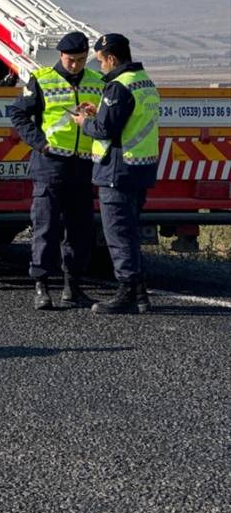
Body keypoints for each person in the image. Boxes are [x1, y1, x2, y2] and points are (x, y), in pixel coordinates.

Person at [8, 31, 104, 310]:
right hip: (50, 164)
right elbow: (19, 114)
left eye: (81, 60)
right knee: (46, 227)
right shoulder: (43, 79)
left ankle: (72, 287)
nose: (75, 65)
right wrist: (40, 144)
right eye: (71, 60)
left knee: (80, 230)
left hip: (83, 164)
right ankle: (41, 286)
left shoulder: (97, 82)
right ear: (61, 55)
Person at [72, 33, 160, 314]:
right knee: (131, 231)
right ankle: (141, 293)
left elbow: (105, 130)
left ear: (111, 58)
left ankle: (126, 293)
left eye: (100, 62)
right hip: (141, 167)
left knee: (118, 233)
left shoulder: (118, 88)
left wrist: (84, 122)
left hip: (117, 170)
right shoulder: (144, 82)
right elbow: (128, 121)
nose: (100, 68)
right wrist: (99, 113)